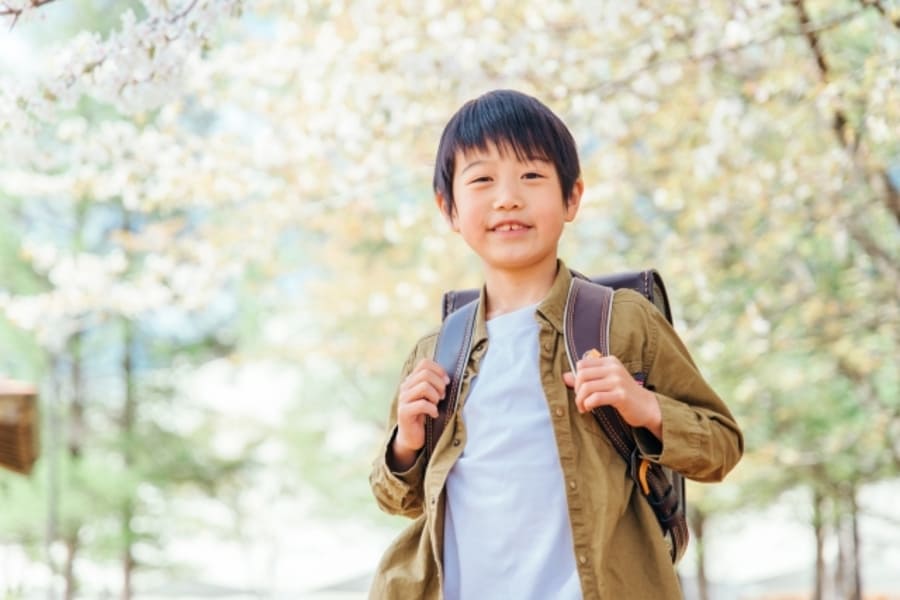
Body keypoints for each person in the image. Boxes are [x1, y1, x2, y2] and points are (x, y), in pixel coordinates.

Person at [368, 89, 743, 600]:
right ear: (449, 208)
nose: (507, 197)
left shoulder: (621, 322)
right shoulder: (438, 351)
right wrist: (406, 443)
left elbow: (721, 446)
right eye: (481, 179)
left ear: (572, 198)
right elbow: (398, 499)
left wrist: (643, 406)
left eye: (532, 175)